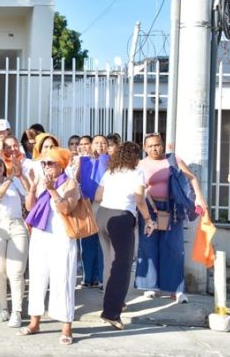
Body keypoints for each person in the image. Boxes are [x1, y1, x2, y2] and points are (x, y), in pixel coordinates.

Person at [136, 133, 208, 303]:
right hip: (148, 209)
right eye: (151, 146)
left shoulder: (173, 159)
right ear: (145, 148)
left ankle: (175, 288)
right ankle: (149, 286)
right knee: (148, 245)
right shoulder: (140, 164)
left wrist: (199, 197)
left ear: (162, 145)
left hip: (172, 208)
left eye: (157, 144)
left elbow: (191, 177)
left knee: (173, 248)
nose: (155, 148)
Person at [21, 147, 80, 345]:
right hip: (40, 235)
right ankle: (34, 321)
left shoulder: (70, 183)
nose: (46, 166)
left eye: (50, 163)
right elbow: (30, 207)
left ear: (61, 165)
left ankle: (66, 326)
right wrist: (32, 188)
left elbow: (66, 208)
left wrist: (52, 189)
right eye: (44, 163)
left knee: (63, 279)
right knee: (37, 277)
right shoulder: (40, 181)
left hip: (62, 237)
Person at [94, 141, 153, 330]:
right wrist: (148, 219)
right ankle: (111, 312)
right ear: (134, 157)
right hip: (121, 217)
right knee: (123, 265)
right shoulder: (137, 173)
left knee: (110, 261)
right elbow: (139, 200)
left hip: (103, 215)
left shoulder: (110, 172)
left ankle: (113, 301)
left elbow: (97, 196)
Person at [0, 153, 31, 328]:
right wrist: (10, 179)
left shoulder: (13, 180)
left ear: (4, 167)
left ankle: (16, 311)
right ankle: (2, 308)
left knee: (16, 272)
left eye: (0, 164)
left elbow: (28, 193)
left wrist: (19, 176)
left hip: (17, 226)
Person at [76, 135, 107, 289]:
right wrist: (79, 164)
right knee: (88, 241)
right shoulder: (83, 161)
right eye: (97, 143)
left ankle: (101, 277)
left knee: (102, 242)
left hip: (105, 205)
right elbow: (78, 179)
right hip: (87, 204)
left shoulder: (111, 161)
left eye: (103, 143)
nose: (100, 145)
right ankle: (88, 277)